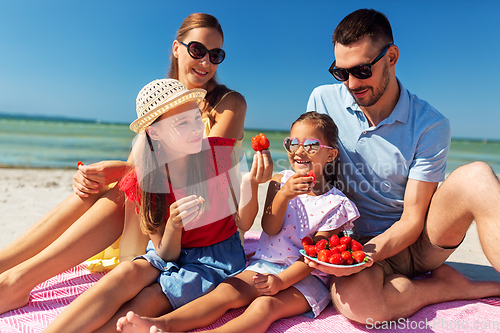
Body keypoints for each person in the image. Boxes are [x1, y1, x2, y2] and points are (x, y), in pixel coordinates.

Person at [0, 13, 249, 315]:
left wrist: (119, 171)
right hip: (159, 208)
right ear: (176, 47)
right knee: (97, 188)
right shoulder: (159, 96)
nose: (206, 62)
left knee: (126, 190)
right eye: (197, 50)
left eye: (216, 55)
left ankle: (20, 281)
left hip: (196, 219)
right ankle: (6, 265)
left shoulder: (229, 103)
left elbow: (198, 167)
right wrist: (103, 173)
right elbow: (143, 164)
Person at [304, 8, 500, 324]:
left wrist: (363, 255)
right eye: (342, 73)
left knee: (477, 177)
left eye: (363, 69)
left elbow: (412, 219)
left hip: (416, 244)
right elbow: (317, 179)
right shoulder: (322, 101)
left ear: (391, 57)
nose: (352, 84)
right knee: (360, 307)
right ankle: (445, 287)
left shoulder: (430, 124)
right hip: (356, 242)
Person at [43, 78, 270, 333]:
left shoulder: (216, 156)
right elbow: (165, 253)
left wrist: (252, 184)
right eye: (181, 123)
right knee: (125, 274)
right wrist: (174, 226)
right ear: (155, 132)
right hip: (168, 252)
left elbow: (243, 223)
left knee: (153, 297)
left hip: (214, 259)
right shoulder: (147, 179)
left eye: (196, 118)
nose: (196, 128)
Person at [114, 111, 361, 333]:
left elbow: (314, 257)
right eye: (292, 143)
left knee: (264, 307)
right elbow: (270, 228)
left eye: (310, 145)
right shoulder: (279, 182)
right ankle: (162, 325)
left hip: (305, 279)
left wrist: (281, 282)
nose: (299, 151)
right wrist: (284, 194)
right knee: (224, 293)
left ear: (330, 154)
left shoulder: (335, 205)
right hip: (265, 266)